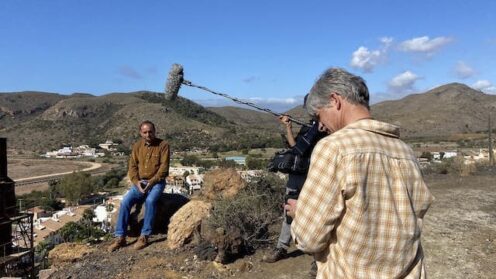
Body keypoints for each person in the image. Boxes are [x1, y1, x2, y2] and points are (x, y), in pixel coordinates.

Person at [285, 68, 434, 279]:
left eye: (319, 115)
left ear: (335, 100)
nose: (321, 126)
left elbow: (309, 238)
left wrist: (300, 213)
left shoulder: (334, 148)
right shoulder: (404, 150)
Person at [263, 109, 326, 277]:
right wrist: (289, 127)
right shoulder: (309, 127)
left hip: (314, 176)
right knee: (288, 212)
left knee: (315, 216)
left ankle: (317, 259)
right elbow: (295, 147)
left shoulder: (328, 129)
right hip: (296, 175)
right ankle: (281, 248)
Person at [108, 120, 170, 252]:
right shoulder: (137, 146)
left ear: (155, 131)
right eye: (145, 132)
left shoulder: (163, 145)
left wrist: (151, 183)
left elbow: (163, 169)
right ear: (140, 133)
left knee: (150, 201)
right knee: (125, 202)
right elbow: (132, 167)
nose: (148, 134)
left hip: (156, 183)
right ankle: (120, 237)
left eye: (150, 132)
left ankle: (144, 236)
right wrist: (137, 183)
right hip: (140, 183)